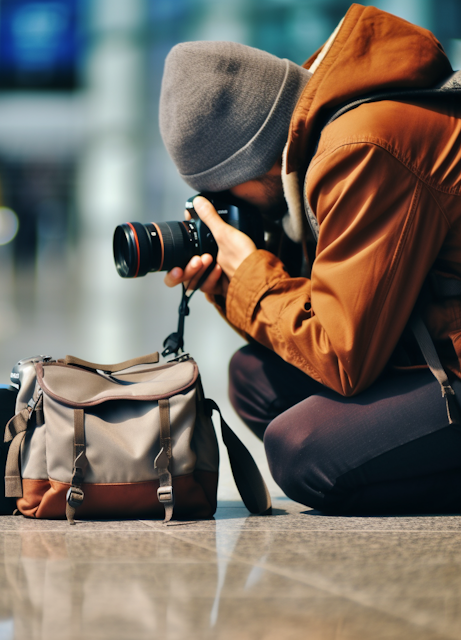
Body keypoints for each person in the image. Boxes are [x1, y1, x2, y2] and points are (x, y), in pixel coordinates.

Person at [160, 3, 461, 514]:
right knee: (254, 377)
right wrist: (225, 284)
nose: (235, 211)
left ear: (258, 163)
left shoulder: (360, 150)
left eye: (228, 195)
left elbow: (343, 355)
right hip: (435, 337)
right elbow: (339, 302)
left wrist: (251, 275)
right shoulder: (330, 126)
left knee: (302, 451)